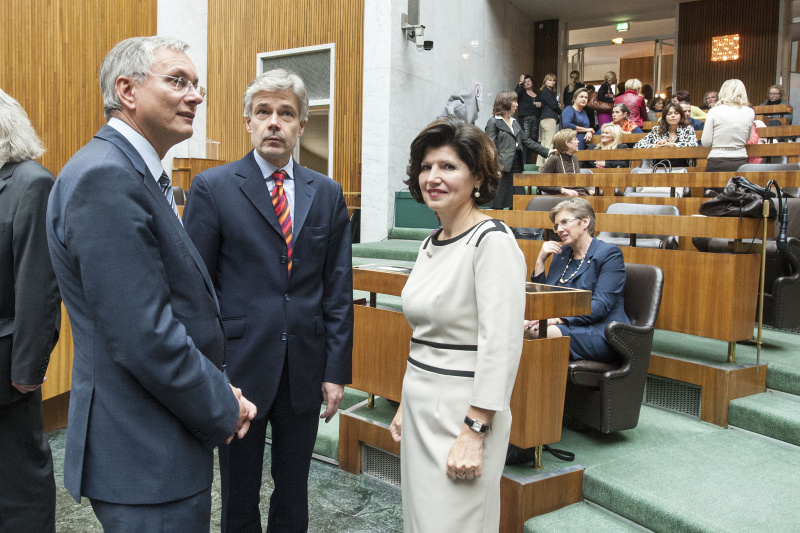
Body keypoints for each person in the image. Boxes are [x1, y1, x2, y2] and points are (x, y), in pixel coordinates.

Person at [46, 36, 256, 531]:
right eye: (178, 81)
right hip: (145, 453)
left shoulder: (128, 170)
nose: (196, 95)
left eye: (197, 85)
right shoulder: (107, 177)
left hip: (154, 441)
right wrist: (221, 403)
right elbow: (145, 335)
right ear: (128, 91)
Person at [183, 69, 354, 533]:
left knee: (293, 489)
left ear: (301, 126)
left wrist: (336, 371)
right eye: (263, 112)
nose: (274, 122)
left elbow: (338, 289)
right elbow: (196, 290)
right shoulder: (213, 187)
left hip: (305, 366)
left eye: (286, 113)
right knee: (239, 493)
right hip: (238, 369)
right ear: (248, 122)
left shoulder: (327, 194)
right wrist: (209, 372)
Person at [389, 116, 526, 532]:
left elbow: (501, 345)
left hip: (464, 413)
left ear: (477, 177)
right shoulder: (430, 242)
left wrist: (474, 430)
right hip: (420, 405)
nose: (433, 177)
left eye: (448, 166)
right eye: (426, 167)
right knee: (420, 522)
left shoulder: (492, 240)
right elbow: (425, 334)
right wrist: (404, 403)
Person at [0, 89, 61, 533]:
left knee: (20, 487)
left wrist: (27, 372)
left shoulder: (31, 182)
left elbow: (38, 288)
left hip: (7, 373)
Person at [524, 198, 628, 363]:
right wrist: (540, 261)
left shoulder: (609, 254)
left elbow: (600, 306)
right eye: (556, 226)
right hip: (565, 325)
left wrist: (558, 320)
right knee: (516, 325)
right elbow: (546, 296)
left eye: (565, 222)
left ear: (585, 222)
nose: (559, 230)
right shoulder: (562, 254)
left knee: (534, 331)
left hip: (601, 332)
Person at [485, 91, 552, 209]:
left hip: (516, 165)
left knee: (518, 202)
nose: (517, 105)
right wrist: (496, 167)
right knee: (499, 202)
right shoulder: (493, 122)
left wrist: (547, 151)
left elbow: (526, 141)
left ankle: (515, 222)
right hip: (502, 168)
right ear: (505, 102)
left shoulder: (514, 122)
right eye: (514, 101)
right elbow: (490, 147)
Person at [701, 79, 754, 172]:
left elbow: (706, 142)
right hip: (740, 160)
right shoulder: (750, 112)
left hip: (717, 160)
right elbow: (747, 138)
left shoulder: (714, 111)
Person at [634, 101, 698, 168]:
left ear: (681, 116)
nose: (673, 116)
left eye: (676, 113)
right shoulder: (657, 130)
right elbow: (637, 146)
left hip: (683, 167)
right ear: (664, 117)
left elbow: (693, 145)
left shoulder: (688, 129)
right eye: (669, 114)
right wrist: (654, 146)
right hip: (659, 167)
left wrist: (671, 145)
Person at [539, 129, 594, 196]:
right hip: (565, 198)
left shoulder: (575, 158)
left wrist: (588, 190)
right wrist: (562, 190)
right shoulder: (555, 159)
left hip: (580, 195)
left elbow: (576, 183)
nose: (578, 141)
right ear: (567, 143)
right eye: (575, 139)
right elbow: (540, 183)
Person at [516, 74, 541, 164]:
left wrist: (540, 104)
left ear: (532, 82)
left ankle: (529, 160)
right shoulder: (522, 92)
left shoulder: (537, 94)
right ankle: (524, 161)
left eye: (529, 81)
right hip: (525, 118)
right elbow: (516, 94)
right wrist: (520, 82)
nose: (527, 83)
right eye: (525, 82)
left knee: (532, 139)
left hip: (535, 119)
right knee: (525, 138)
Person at [537, 73, 561, 166]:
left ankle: (541, 165)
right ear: (545, 81)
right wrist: (561, 112)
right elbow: (554, 105)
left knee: (544, 143)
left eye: (553, 80)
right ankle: (548, 165)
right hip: (549, 119)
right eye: (550, 80)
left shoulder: (545, 92)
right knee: (549, 142)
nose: (552, 82)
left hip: (544, 119)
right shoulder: (547, 92)